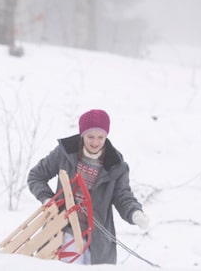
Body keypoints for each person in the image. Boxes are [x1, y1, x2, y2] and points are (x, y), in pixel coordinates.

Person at [27, 109, 149, 265]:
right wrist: (47, 200)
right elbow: (36, 176)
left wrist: (135, 213)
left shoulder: (115, 165)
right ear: (82, 134)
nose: (95, 142)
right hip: (64, 232)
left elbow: (122, 196)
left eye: (100, 137)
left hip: (97, 242)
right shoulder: (65, 153)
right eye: (90, 136)